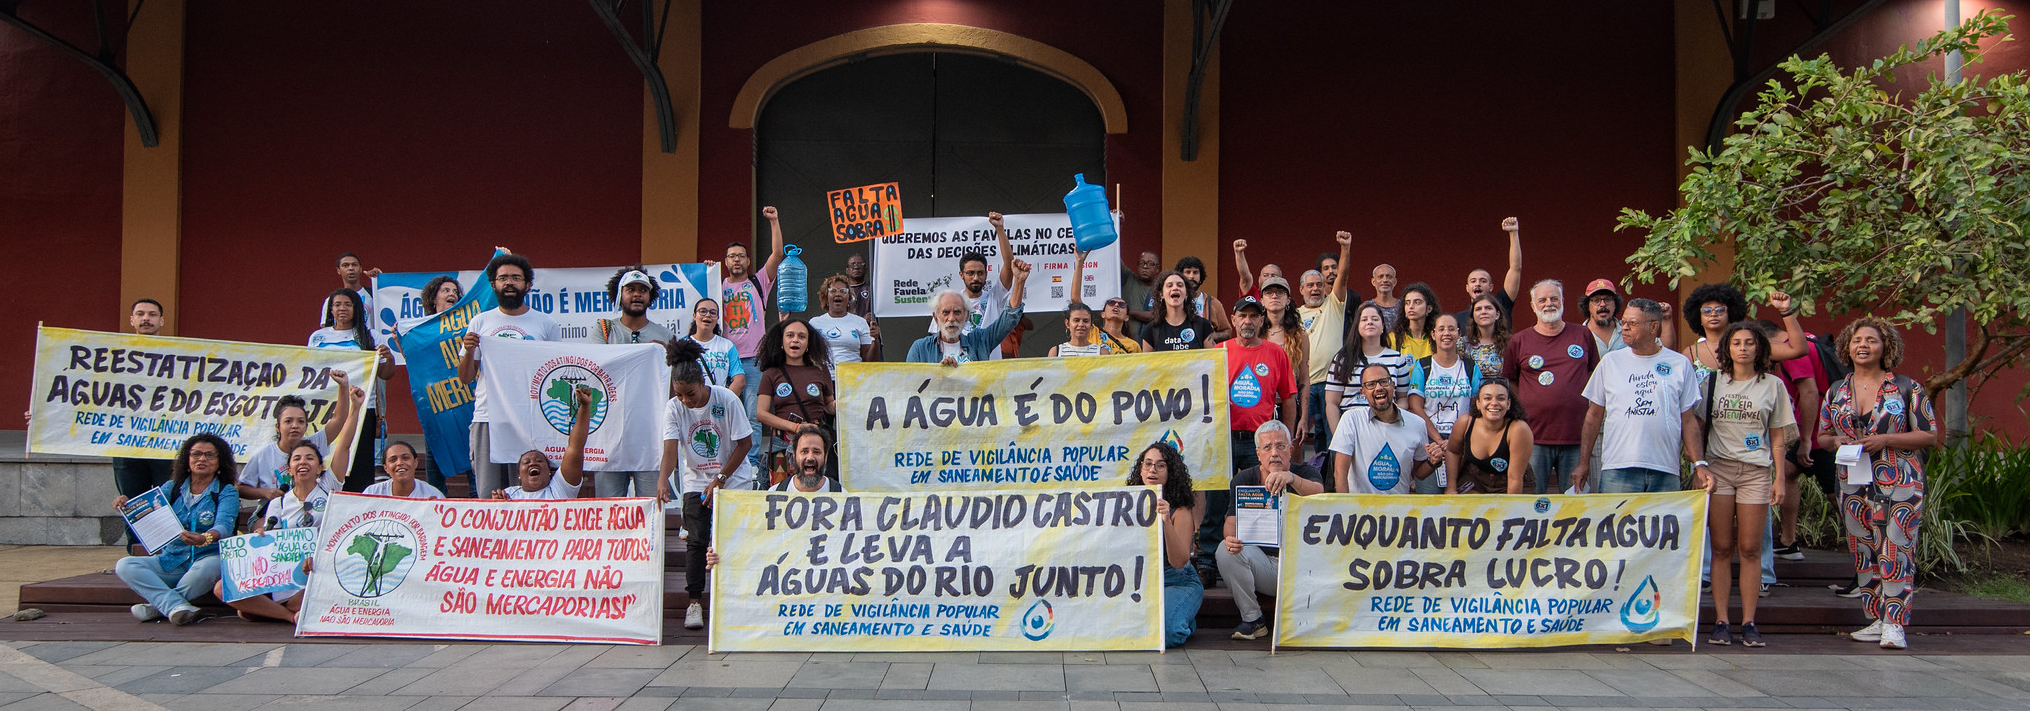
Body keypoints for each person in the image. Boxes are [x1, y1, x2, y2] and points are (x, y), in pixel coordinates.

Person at [1816, 317, 1938, 650]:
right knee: (1865, 550)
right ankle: (1876, 618)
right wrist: (1837, 440)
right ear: (1847, 347)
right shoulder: (1837, 390)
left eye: (1871, 340)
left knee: (1896, 548)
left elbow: (1928, 434)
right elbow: (1822, 437)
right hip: (1853, 483)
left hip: (1899, 479)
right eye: (1857, 340)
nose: (1863, 346)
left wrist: (1885, 438)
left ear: (1886, 347)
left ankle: (1895, 624)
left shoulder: (1905, 387)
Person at [223, 378, 363, 623]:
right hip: (284, 574)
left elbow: (344, 445)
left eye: (310, 458)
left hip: (319, 566)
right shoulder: (277, 503)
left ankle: (279, 610)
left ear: (320, 467)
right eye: (297, 459)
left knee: (253, 610)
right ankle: (290, 617)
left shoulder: (329, 485)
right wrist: (259, 541)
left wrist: (356, 407)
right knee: (223, 589)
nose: (303, 462)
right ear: (288, 469)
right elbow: (271, 542)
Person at [1696, 321, 1796, 648]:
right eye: (1736, 342)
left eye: (1749, 342)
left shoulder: (1773, 386)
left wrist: (1780, 476)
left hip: (1756, 470)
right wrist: (1697, 464)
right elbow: (1694, 425)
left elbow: (1779, 434)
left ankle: (1749, 621)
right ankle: (1722, 620)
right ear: (1726, 348)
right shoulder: (1711, 383)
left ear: (1759, 348)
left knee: (1751, 548)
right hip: (1719, 469)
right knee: (1721, 547)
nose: (1743, 348)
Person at [658, 339, 760, 631]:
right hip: (696, 479)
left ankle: (736, 598)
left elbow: (745, 443)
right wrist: (663, 478)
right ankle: (694, 603)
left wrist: (721, 479)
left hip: (734, 476)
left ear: (702, 383)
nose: (686, 401)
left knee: (734, 537)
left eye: (690, 394)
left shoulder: (726, 399)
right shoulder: (674, 408)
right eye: (680, 395)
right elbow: (669, 449)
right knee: (696, 539)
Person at [1573, 299, 1709, 494]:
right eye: (1624, 322)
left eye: (1632, 323)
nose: (1624, 328)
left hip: (1665, 469)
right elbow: (1593, 416)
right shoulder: (1610, 362)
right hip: (1618, 468)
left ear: (1654, 327)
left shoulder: (1679, 364)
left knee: (1661, 525)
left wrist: (1699, 464)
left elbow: (1688, 420)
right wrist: (1583, 463)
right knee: (1616, 524)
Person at [458, 253, 563, 498]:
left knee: (529, 493)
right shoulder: (480, 321)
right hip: (488, 416)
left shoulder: (546, 324)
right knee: (489, 495)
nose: (509, 283)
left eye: (516, 278)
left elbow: (557, 371)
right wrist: (470, 349)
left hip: (530, 418)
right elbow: (465, 377)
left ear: (527, 285)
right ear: (493, 284)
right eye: (503, 278)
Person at [1209, 296, 1299, 580]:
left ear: (1262, 320)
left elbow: (1289, 397)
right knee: (1216, 499)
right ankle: (1208, 562)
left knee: (1262, 498)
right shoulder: (1218, 351)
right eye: (1242, 316)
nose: (1247, 321)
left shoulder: (1276, 353)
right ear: (1233, 320)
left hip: (1259, 442)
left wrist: (1284, 440)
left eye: (1253, 316)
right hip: (1223, 438)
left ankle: (1259, 557)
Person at [112, 433, 239, 626]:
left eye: (209, 455)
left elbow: (225, 526)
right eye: (196, 454)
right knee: (125, 565)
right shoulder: (172, 487)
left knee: (207, 568)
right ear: (187, 460)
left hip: (207, 559)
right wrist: (127, 504)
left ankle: (159, 607)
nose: (202, 459)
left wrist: (203, 538)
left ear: (220, 462)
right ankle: (175, 607)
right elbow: (148, 510)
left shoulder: (226, 490)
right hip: (171, 561)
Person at [1216, 421, 1323, 640]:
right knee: (1225, 551)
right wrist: (1230, 538)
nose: (1274, 453)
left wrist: (1291, 478)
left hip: (1302, 567)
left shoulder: (1306, 472)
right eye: (1267, 448)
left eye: (1281, 446)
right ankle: (1253, 620)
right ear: (1258, 453)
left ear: (1291, 450)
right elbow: (1230, 521)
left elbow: (1320, 494)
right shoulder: (1243, 480)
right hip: (1265, 564)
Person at [1502, 280, 1598, 494]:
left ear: (1562, 301)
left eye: (1554, 298)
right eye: (1542, 300)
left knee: (1574, 503)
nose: (1549, 304)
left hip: (1576, 436)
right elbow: (1511, 381)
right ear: (1533, 305)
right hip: (1533, 437)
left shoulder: (1582, 335)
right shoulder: (1519, 341)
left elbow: (1593, 374)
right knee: (1531, 500)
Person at [718, 206, 786, 466]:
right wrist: (708, 271)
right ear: (725, 262)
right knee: (722, 414)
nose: (736, 260)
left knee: (752, 417)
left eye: (741, 256)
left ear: (748, 261)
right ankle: (723, 463)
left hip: (754, 361)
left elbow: (778, 254)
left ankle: (753, 468)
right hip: (725, 360)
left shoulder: (759, 282)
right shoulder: (717, 286)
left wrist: (774, 221)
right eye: (731, 256)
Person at [309, 288, 394, 492]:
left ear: (357, 309)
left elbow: (386, 374)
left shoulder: (370, 336)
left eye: (348, 304)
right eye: (337, 304)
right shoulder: (317, 337)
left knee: (359, 464)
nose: (342, 309)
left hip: (363, 408)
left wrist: (388, 357)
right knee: (327, 458)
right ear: (330, 310)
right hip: (325, 410)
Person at [1130, 442, 1202, 648]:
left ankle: (1181, 618)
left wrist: (1166, 521)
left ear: (1171, 472)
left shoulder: (1181, 511)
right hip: (1142, 580)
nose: (1152, 470)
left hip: (1176, 580)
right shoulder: (1127, 503)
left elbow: (1179, 561)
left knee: (1168, 634)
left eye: (1161, 465)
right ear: (1141, 469)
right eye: (1148, 464)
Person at [1772, 324, 1833, 561]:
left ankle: (1869, 555)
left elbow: (1809, 392)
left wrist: (1807, 438)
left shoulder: (1792, 351)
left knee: (1837, 496)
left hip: (1819, 434)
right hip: (1812, 430)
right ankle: (1788, 541)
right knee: (1787, 471)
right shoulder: (1811, 340)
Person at [923, 211, 1018, 359]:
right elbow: (935, 341)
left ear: (986, 274)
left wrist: (999, 229)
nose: (976, 277)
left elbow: (1008, 266)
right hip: (958, 372)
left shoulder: (995, 297)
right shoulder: (951, 303)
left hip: (989, 371)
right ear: (961, 275)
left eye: (980, 273)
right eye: (970, 273)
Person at [1330, 363, 1434, 494]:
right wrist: (1345, 509)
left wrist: (1433, 462)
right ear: (1363, 392)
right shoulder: (1351, 419)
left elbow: (1418, 474)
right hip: (1359, 511)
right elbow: (1340, 473)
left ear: (1393, 385)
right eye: (1371, 384)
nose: (1378, 388)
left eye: (1384, 382)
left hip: (1397, 511)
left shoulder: (1417, 424)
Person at [1407, 314, 1482, 494]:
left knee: (1462, 498)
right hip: (1430, 442)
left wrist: (1456, 440)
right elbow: (1415, 406)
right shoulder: (1423, 365)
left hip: (1464, 441)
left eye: (1451, 329)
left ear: (1458, 334)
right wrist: (1439, 440)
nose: (1446, 333)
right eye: (1441, 329)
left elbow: (1478, 406)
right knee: (1430, 498)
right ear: (1433, 334)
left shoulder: (1471, 367)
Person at [755, 319, 836, 483]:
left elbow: (829, 406)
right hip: (782, 442)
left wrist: (851, 400)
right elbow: (761, 414)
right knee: (780, 492)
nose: (795, 340)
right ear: (781, 341)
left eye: (801, 336)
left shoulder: (821, 370)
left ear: (808, 343)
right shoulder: (771, 373)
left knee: (815, 486)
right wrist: (796, 427)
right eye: (790, 335)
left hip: (816, 439)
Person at [908, 259, 1031, 364]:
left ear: (966, 316)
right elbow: (909, 385)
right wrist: (940, 374)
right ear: (936, 317)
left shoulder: (979, 342)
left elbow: (1009, 319)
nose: (951, 318)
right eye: (946, 312)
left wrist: (1019, 281)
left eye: (957, 312)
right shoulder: (920, 348)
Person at [1681, 284, 1812, 383]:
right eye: (1706, 310)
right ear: (1699, 317)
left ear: (1731, 313)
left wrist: (1785, 311)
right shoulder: (1691, 353)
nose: (1713, 313)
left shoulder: (1750, 344)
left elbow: (1798, 350)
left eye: (1720, 309)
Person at [1299, 232, 1355, 451]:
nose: (1315, 289)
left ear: (1325, 287)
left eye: (1319, 285)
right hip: (1305, 385)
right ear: (1301, 289)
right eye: (1310, 285)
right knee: (1299, 435)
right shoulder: (1294, 315)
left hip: (1333, 382)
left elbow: (1343, 275)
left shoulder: (1334, 304)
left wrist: (1345, 248)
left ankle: (1332, 481)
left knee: (1334, 436)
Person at [237, 392, 351, 500]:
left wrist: (343, 385)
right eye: (288, 421)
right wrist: (265, 492)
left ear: (306, 426)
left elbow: (339, 419)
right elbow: (240, 489)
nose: (295, 426)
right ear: (277, 427)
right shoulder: (262, 454)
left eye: (300, 422)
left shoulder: (314, 444)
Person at [1322, 301, 1413, 431]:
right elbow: (1332, 403)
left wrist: (1392, 421)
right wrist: (1338, 436)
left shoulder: (1397, 359)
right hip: (1351, 426)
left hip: (1387, 427)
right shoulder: (1342, 359)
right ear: (1357, 327)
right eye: (1364, 319)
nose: (1369, 322)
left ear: (1383, 327)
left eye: (1375, 319)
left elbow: (1402, 398)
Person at [495, 386, 594, 501]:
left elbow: (575, 448)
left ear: (549, 472)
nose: (532, 463)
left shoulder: (561, 488)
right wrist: (496, 506)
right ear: (519, 475)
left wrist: (585, 407)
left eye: (539, 461)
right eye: (526, 462)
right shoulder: (509, 494)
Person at [1447, 379, 1533, 494]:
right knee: (1471, 508)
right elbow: (1453, 451)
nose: (1494, 403)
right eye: (1487, 398)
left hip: (1509, 482)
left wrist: (1511, 509)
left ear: (1508, 404)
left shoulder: (1518, 429)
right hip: (1474, 479)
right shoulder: (1465, 423)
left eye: (1501, 399)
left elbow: (1515, 478)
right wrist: (1451, 488)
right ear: (1478, 403)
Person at [1453, 217, 1523, 329]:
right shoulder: (1460, 318)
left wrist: (1513, 233)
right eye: (1473, 281)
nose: (1477, 284)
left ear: (1491, 287)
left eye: (1483, 281)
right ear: (1467, 287)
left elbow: (1515, 268)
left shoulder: (1502, 304)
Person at [1580, 279, 1675, 354]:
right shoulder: (1579, 336)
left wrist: (1666, 319)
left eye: (1608, 299)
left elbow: (1665, 351)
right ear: (1587, 305)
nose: (1603, 304)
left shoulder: (1630, 329)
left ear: (1615, 303)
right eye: (1596, 300)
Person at [810, 274, 877, 374]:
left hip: (852, 379)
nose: (838, 294)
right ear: (826, 297)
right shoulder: (814, 323)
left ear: (849, 297)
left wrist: (875, 340)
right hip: (822, 380)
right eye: (833, 291)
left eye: (843, 291)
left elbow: (869, 360)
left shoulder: (860, 322)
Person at [593, 266, 675, 347]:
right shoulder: (604, 329)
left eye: (643, 290)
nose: (637, 294)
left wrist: (664, 353)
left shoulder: (666, 336)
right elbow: (598, 358)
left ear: (650, 297)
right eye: (630, 290)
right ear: (620, 296)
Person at [679, 298, 748, 393]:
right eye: (702, 311)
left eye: (713, 312)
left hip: (719, 405)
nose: (708, 315)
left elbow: (739, 380)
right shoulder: (682, 344)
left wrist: (723, 402)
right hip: (690, 403)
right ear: (694, 316)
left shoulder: (727, 345)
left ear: (717, 318)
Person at [1140, 270, 1214, 352]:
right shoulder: (1150, 330)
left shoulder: (1203, 325)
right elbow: (1148, 364)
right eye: (1169, 285)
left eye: (1180, 285)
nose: (1175, 288)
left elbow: (1212, 361)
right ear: (1161, 295)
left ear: (1186, 293)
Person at [1173, 256, 1231, 338]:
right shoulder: (1172, 300)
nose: (1191, 276)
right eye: (1187, 272)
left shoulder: (1213, 303)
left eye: (1195, 272)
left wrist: (1209, 337)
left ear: (1201, 276)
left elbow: (1227, 332)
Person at [363, 441, 446, 499]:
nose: (399, 463)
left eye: (405, 458)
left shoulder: (433, 495)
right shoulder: (372, 493)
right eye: (393, 460)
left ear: (415, 462)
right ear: (386, 468)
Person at [316, 252, 380, 324]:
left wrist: (380, 280)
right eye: (345, 265)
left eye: (354, 265)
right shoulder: (332, 300)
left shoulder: (373, 295)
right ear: (338, 270)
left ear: (360, 268)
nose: (351, 268)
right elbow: (326, 330)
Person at [841, 253, 882, 354]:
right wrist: (861, 320)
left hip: (870, 337)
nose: (856, 267)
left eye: (860, 264)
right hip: (850, 339)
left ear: (866, 269)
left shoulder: (873, 288)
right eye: (853, 264)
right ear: (847, 270)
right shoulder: (842, 292)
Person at [1464, 293, 1510, 381]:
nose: (1483, 312)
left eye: (1488, 308)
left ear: (1497, 314)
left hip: (1503, 392)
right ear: (1473, 316)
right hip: (1474, 393)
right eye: (1478, 309)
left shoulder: (1510, 343)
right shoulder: (1463, 345)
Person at [1389, 283, 1439, 360]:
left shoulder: (1436, 338)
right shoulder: (1393, 339)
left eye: (1417, 302)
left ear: (1429, 309)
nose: (1411, 306)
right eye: (1407, 303)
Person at [1126, 249, 1161, 325]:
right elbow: (1116, 258)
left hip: (1149, 336)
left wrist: (1126, 311)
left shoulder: (1161, 290)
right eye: (1142, 263)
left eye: (1150, 264)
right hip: (1125, 336)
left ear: (1157, 268)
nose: (1145, 266)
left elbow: (1155, 316)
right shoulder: (1128, 279)